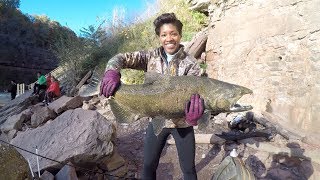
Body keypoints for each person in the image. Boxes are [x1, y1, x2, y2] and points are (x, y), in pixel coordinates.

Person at [100, 13, 204, 180]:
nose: (169, 39)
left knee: (189, 170)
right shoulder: (149, 56)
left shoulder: (192, 64)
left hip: (183, 124)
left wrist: (194, 117)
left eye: (173, 34)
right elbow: (119, 58)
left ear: (180, 35)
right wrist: (111, 71)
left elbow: (198, 97)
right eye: (164, 35)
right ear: (159, 37)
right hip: (156, 120)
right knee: (148, 167)